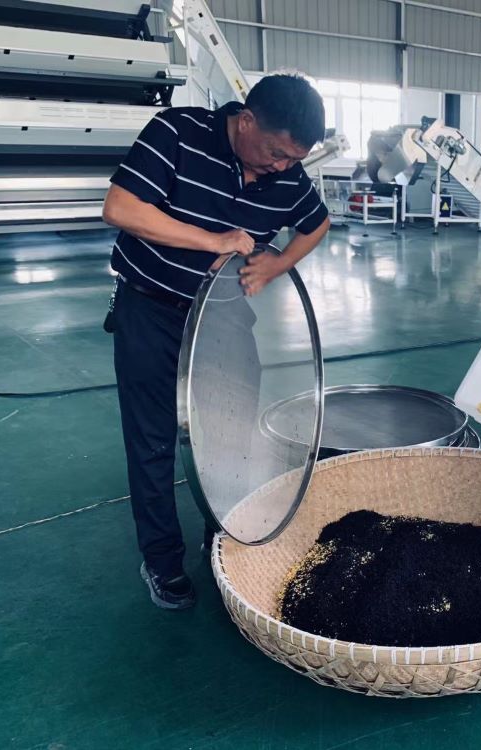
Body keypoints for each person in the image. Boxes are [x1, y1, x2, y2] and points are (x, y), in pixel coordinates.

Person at [103, 73, 331, 610]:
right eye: (276, 153)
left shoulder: (288, 177)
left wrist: (277, 264)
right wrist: (214, 240)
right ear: (246, 121)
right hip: (151, 309)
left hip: (224, 315)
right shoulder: (177, 133)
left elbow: (317, 224)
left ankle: (224, 535)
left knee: (232, 434)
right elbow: (121, 208)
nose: (283, 167)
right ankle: (162, 561)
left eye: (294, 159)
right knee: (153, 441)